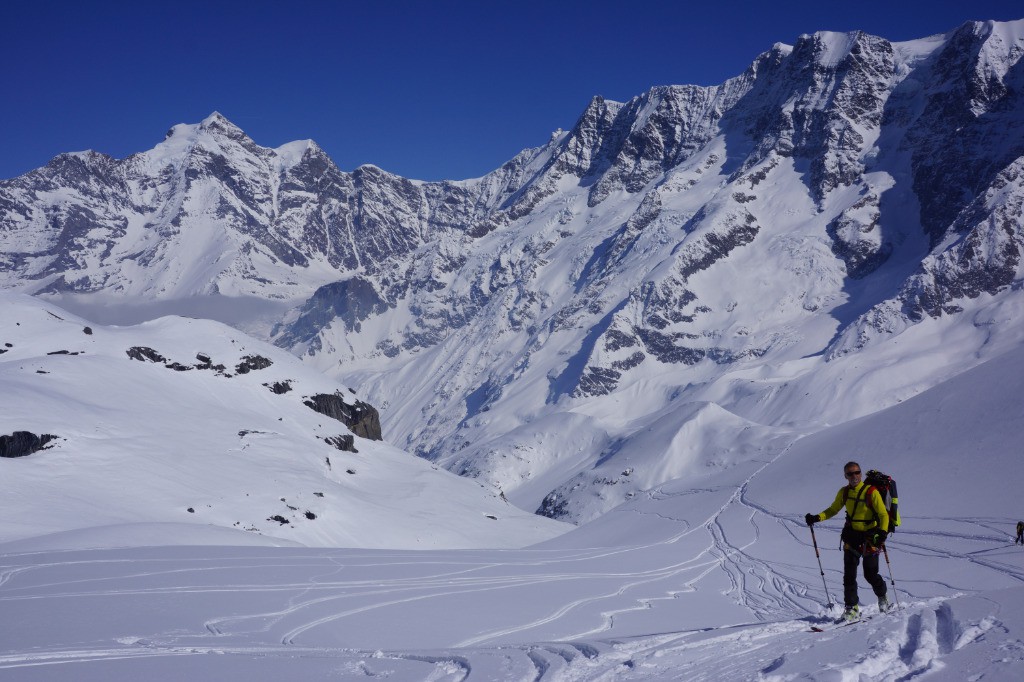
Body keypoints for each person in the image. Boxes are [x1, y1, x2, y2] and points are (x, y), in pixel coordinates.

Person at [805, 461, 890, 621]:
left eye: (856, 472)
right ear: (845, 476)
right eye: (850, 473)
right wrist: (817, 517)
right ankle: (852, 608)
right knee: (849, 575)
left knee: (870, 574)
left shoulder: (871, 492)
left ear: (861, 473)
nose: (854, 476)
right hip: (852, 536)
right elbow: (833, 509)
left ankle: (882, 596)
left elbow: (883, 515)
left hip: (871, 537)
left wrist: (882, 533)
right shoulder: (844, 492)